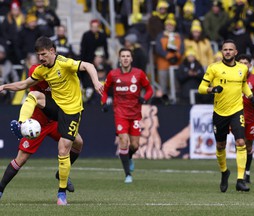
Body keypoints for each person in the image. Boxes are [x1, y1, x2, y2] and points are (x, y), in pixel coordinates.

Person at [0, 36, 104, 205]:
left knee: (70, 147)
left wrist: (95, 81)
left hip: (70, 112)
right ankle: (21, 125)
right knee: (34, 96)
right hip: (47, 114)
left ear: (52, 51)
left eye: (43, 54)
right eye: (38, 55)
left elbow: (88, 65)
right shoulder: (39, 70)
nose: (41, 58)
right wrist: (4, 86)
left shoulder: (64, 63)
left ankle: (61, 190)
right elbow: (23, 85)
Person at [0, 64, 83, 200]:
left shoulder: (60, 72)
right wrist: (4, 86)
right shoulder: (37, 72)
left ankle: (61, 174)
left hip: (56, 120)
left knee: (78, 143)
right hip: (37, 123)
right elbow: (24, 85)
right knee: (21, 159)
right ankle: (1, 189)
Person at [198, 39, 254, 192]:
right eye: (225, 49)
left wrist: (251, 97)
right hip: (220, 112)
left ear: (235, 52)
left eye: (230, 49)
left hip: (237, 110)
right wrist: (212, 90)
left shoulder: (242, 69)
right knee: (220, 146)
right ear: (221, 51)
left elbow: (243, 84)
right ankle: (224, 172)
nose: (227, 52)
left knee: (240, 142)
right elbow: (201, 87)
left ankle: (240, 180)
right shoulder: (214, 68)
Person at [101, 48, 153, 184]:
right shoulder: (113, 74)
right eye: (123, 56)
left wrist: (145, 98)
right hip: (120, 114)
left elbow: (149, 89)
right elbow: (105, 90)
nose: (125, 58)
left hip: (135, 114)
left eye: (127, 56)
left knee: (135, 146)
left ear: (131, 59)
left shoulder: (139, 74)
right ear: (119, 59)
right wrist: (104, 103)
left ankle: (129, 157)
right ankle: (127, 174)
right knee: (123, 140)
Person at [236, 54, 254, 183]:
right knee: (240, 144)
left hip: (250, 118)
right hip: (235, 116)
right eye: (241, 62)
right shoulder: (232, 78)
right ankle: (240, 175)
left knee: (248, 146)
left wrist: (250, 94)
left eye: (246, 63)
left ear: (250, 65)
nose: (243, 65)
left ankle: (247, 172)